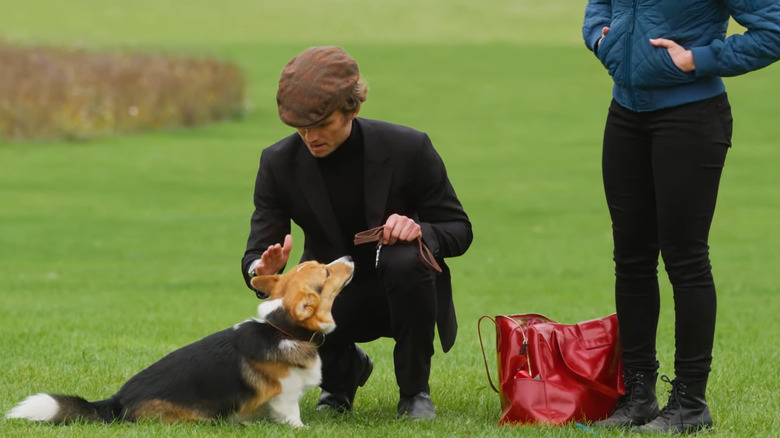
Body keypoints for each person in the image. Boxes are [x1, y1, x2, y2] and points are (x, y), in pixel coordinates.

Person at [240, 46, 472, 420]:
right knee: (284, 306)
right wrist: (262, 268)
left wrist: (420, 231)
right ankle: (340, 378)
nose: (309, 136)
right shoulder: (277, 162)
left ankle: (414, 395)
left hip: (406, 288)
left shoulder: (408, 147)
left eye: (321, 124)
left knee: (404, 259)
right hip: (332, 296)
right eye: (300, 127)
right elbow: (256, 253)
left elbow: (459, 230)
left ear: (352, 108)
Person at [582, 0, 780, 434]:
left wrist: (700, 58)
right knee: (631, 260)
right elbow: (601, 5)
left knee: (685, 260)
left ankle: (690, 402)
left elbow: (775, 26)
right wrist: (600, 38)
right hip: (625, 115)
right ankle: (639, 395)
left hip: (691, 118)